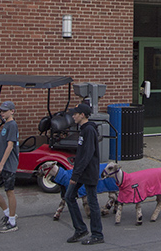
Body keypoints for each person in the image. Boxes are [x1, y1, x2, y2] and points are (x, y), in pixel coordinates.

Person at [65, 102, 104, 245]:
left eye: (75, 114)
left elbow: (87, 155)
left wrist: (75, 176)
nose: (73, 116)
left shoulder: (88, 130)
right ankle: (80, 229)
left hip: (88, 172)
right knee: (69, 197)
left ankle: (97, 234)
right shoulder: (83, 129)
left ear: (82, 115)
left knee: (92, 202)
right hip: (81, 171)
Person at [0, 100, 20, 233]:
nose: (2, 113)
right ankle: (8, 213)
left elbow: (10, 145)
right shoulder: (6, 125)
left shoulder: (12, 125)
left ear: (12, 111)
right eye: (1, 111)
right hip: (0, 165)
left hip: (7, 165)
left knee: (9, 191)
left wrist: (1, 165)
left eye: (5, 111)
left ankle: (12, 221)